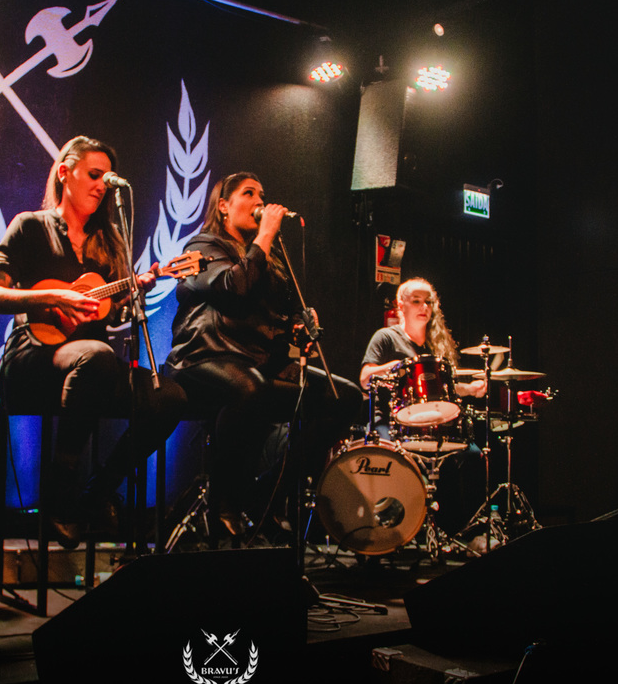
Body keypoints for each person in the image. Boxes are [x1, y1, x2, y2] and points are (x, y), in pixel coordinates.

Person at [0, 136, 186, 548]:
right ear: (64, 173)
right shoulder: (30, 226)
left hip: (92, 365)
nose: (101, 186)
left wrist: (133, 292)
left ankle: (96, 492)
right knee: (96, 356)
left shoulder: (110, 241)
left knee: (170, 397)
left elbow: (115, 317)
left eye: (106, 181)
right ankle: (60, 492)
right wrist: (51, 297)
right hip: (32, 355)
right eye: (94, 175)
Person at [165, 172, 362, 539]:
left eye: (262, 194)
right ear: (223, 206)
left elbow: (275, 316)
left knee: (345, 397)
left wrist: (298, 325)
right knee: (250, 387)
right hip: (206, 357)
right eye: (248, 193)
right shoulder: (205, 245)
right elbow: (233, 289)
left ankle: (267, 494)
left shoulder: (269, 259)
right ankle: (224, 498)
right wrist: (265, 235)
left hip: (256, 363)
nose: (259, 201)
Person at [360, 277, 486, 441]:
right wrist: (395, 367)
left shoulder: (436, 345)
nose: (424, 307)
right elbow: (364, 379)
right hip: (390, 421)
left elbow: (442, 390)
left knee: (471, 451)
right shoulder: (386, 337)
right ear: (401, 305)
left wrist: (471, 389)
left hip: (431, 422)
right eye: (416, 301)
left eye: (428, 302)